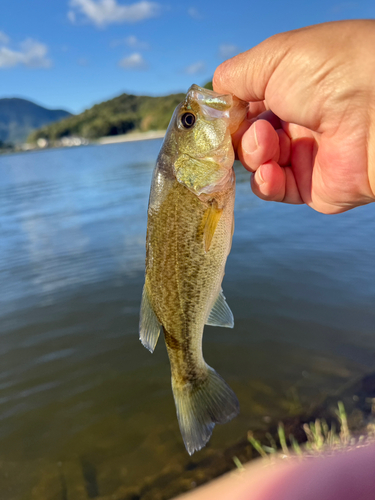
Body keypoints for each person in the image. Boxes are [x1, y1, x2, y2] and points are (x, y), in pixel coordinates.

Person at [173, 20, 375, 500]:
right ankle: (189, 374)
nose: (195, 113)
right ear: (181, 166)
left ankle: (189, 373)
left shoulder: (201, 185)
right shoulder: (190, 190)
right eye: (189, 122)